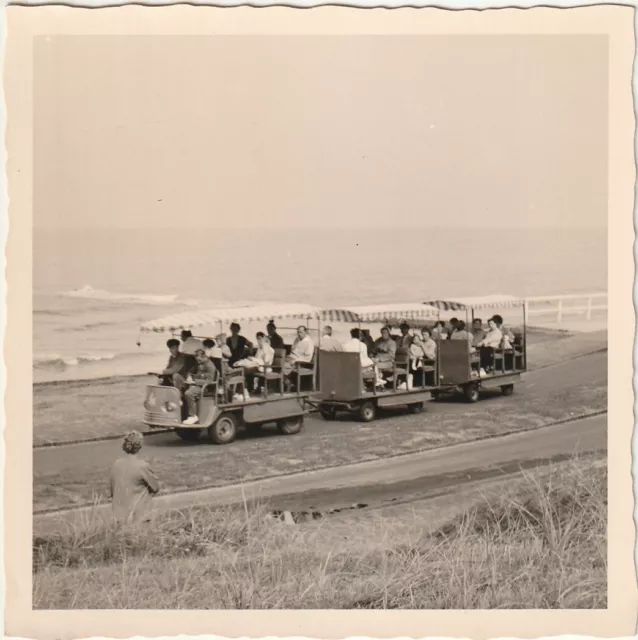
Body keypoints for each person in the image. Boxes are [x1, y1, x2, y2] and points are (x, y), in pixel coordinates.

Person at [110, 431, 160, 526]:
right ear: (139, 446)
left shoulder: (116, 464)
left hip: (119, 517)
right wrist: (149, 469)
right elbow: (155, 488)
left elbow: (112, 490)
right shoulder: (142, 466)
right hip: (138, 518)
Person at [182, 349, 219, 425]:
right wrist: (189, 376)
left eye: (199, 359)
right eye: (197, 359)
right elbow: (190, 371)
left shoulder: (210, 366)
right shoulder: (199, 363)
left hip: (205, 388)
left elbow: (209, 381)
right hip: (196, 385)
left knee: (189, 393)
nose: (197, 361)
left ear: (204, 356)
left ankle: (193, 416)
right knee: (180, 385)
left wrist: (194, 381)